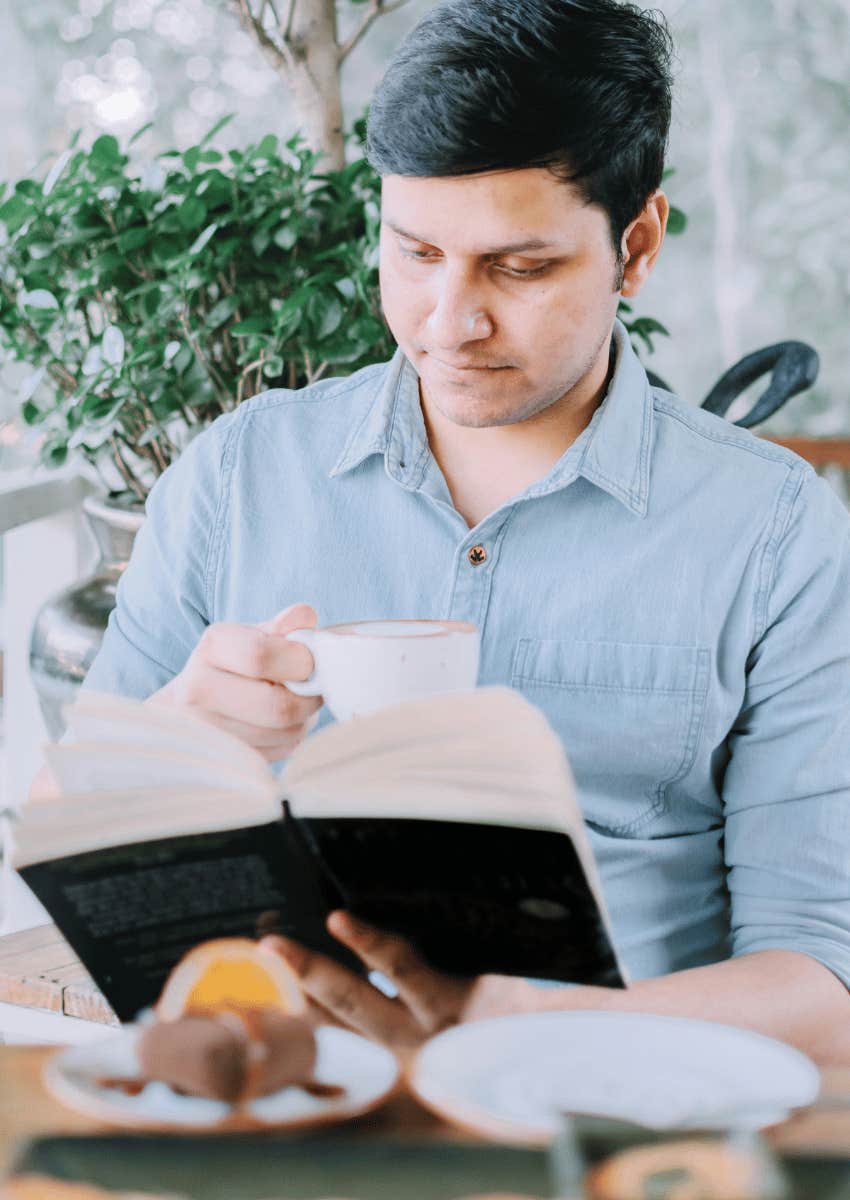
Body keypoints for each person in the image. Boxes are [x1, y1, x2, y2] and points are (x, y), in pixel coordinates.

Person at [31, 0, 850, 1063]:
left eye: (520, 269)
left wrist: (542, 1028)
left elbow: (825, 978)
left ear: (635, 245)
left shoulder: (774, 532)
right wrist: (180, 736)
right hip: (281, 1087)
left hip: (615, 1103)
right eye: (414, 251)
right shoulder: (240, 474)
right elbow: (63, 840)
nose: (446, 322)